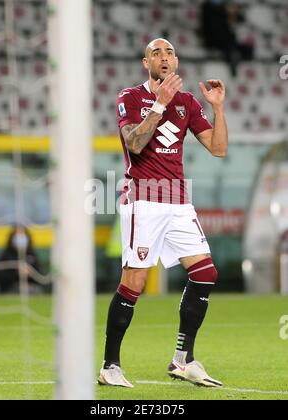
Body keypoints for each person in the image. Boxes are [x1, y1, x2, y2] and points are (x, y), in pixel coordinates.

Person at [98, 38, 228, 388]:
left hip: (178, 201)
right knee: (134, 283)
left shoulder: (187, 102)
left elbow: (218, 149)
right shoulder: (130, 97)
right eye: (157, 52)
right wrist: (159, 104)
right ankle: (110, 366)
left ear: (176, 60)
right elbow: (135, 145)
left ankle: (182, 360)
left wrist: (217, 107)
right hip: (143, 199)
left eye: (169, 52)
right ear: (146, 63)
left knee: (205, 273)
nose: (164, 57)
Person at [201, 0, 253, 76]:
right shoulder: (208, 8)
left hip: (228, 40)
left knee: (247, 49)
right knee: (229, 48)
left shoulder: (224, 8)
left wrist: (232, 15)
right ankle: (233, 62)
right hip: (214, 40)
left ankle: (244, 66)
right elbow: (211, 27)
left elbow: (240, 18)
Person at [0, 225, 42, 294]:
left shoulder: (32, 254)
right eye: (17, 235)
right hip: (10, 289)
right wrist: (16, 273)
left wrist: (30, 273)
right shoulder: (6, 255)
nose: (20, 238)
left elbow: (41, 277)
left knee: (35, 291)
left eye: (22, 235)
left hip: (31, 288)